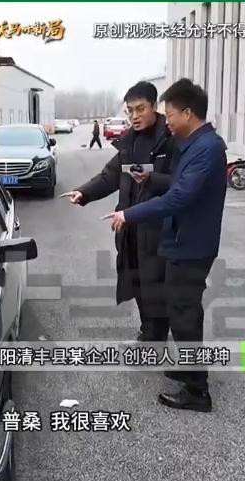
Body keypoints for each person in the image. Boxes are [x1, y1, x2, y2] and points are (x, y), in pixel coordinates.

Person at [108, 78, 227, 413]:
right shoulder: (194, 144)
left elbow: (179, 196)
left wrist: (129, 214)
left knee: (185, 314)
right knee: (179, 310)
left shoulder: (207, 148)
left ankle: (197, 391)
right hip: (180, 241)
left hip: (191, 245)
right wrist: (152, 179)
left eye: (170, 114)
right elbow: (176, 183)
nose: (168, 120)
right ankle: (189, 367)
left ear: (188, 113)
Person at [65, 81, 176, 342]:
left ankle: (156, 336)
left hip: (159, 231)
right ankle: (149, 330)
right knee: (136, 282)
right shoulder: (128, 144)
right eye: (130, 110)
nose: (134, 116)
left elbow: (182, 184)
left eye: (140, 109)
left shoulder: (170, 141)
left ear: (154, 106)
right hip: (129, 227)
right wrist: (83, 192)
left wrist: (154, 179)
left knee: (155, 287)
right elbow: (110, 175)